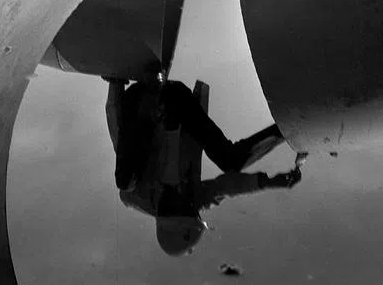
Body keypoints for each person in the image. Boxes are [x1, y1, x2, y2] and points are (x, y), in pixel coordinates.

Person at [104, 70, 303, 257]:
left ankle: (149, 90)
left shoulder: (136, 195)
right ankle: (286, 129)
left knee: (125, 180)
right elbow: (227, 186)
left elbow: (119, 138)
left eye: (182, 209)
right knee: (232, 162)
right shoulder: (194, 199)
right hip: (177, 102)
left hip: (140, 106)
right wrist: (268, 183)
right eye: (191, 211)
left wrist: (115, 85)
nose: (188, 203)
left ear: (167, 215)